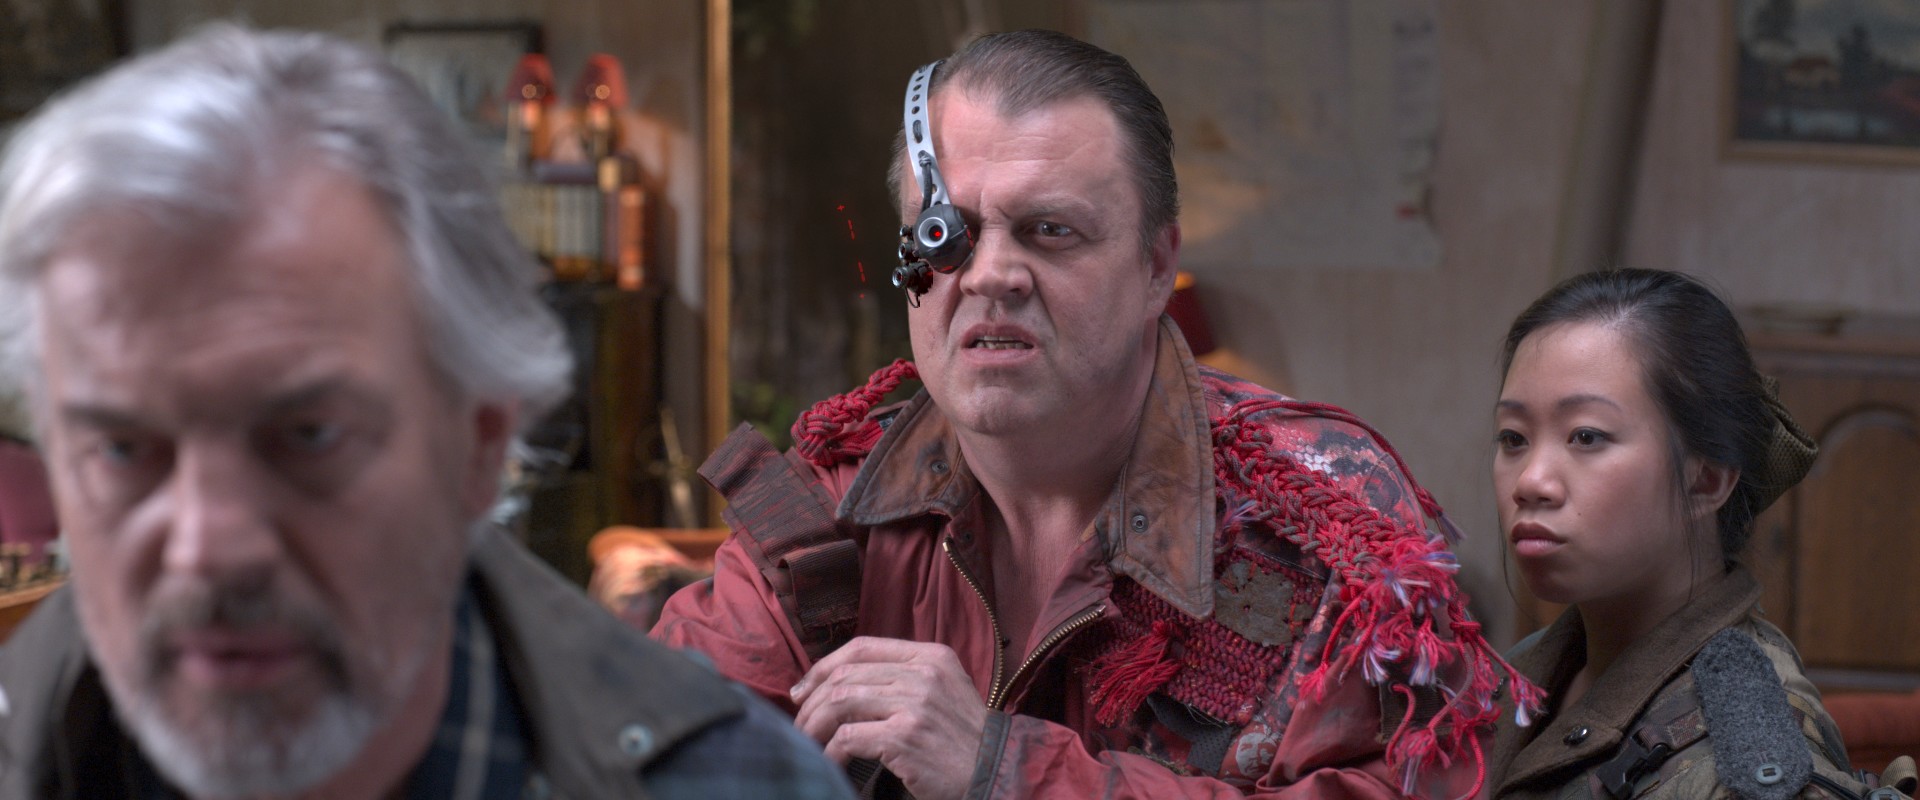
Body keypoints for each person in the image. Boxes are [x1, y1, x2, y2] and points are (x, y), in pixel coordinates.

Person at [655, 29, 1533, 800]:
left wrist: (1003, 771)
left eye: (1050, 231)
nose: (991, 275)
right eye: (947, 234)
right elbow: (658, 748)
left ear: (1156, 268)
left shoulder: (1324, 517)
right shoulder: (826, 513)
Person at [0, 25, 853, 800]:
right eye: (122, 447)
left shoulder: (736, 785)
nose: (207, 550)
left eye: (308, 437)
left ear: (480, 445)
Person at [1485, 269, 1910, 799]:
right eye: (1513, 438)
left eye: (1586, 436)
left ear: (1707, 480)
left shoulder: (1743, 762)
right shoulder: (1523, 671)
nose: (1530, 482)